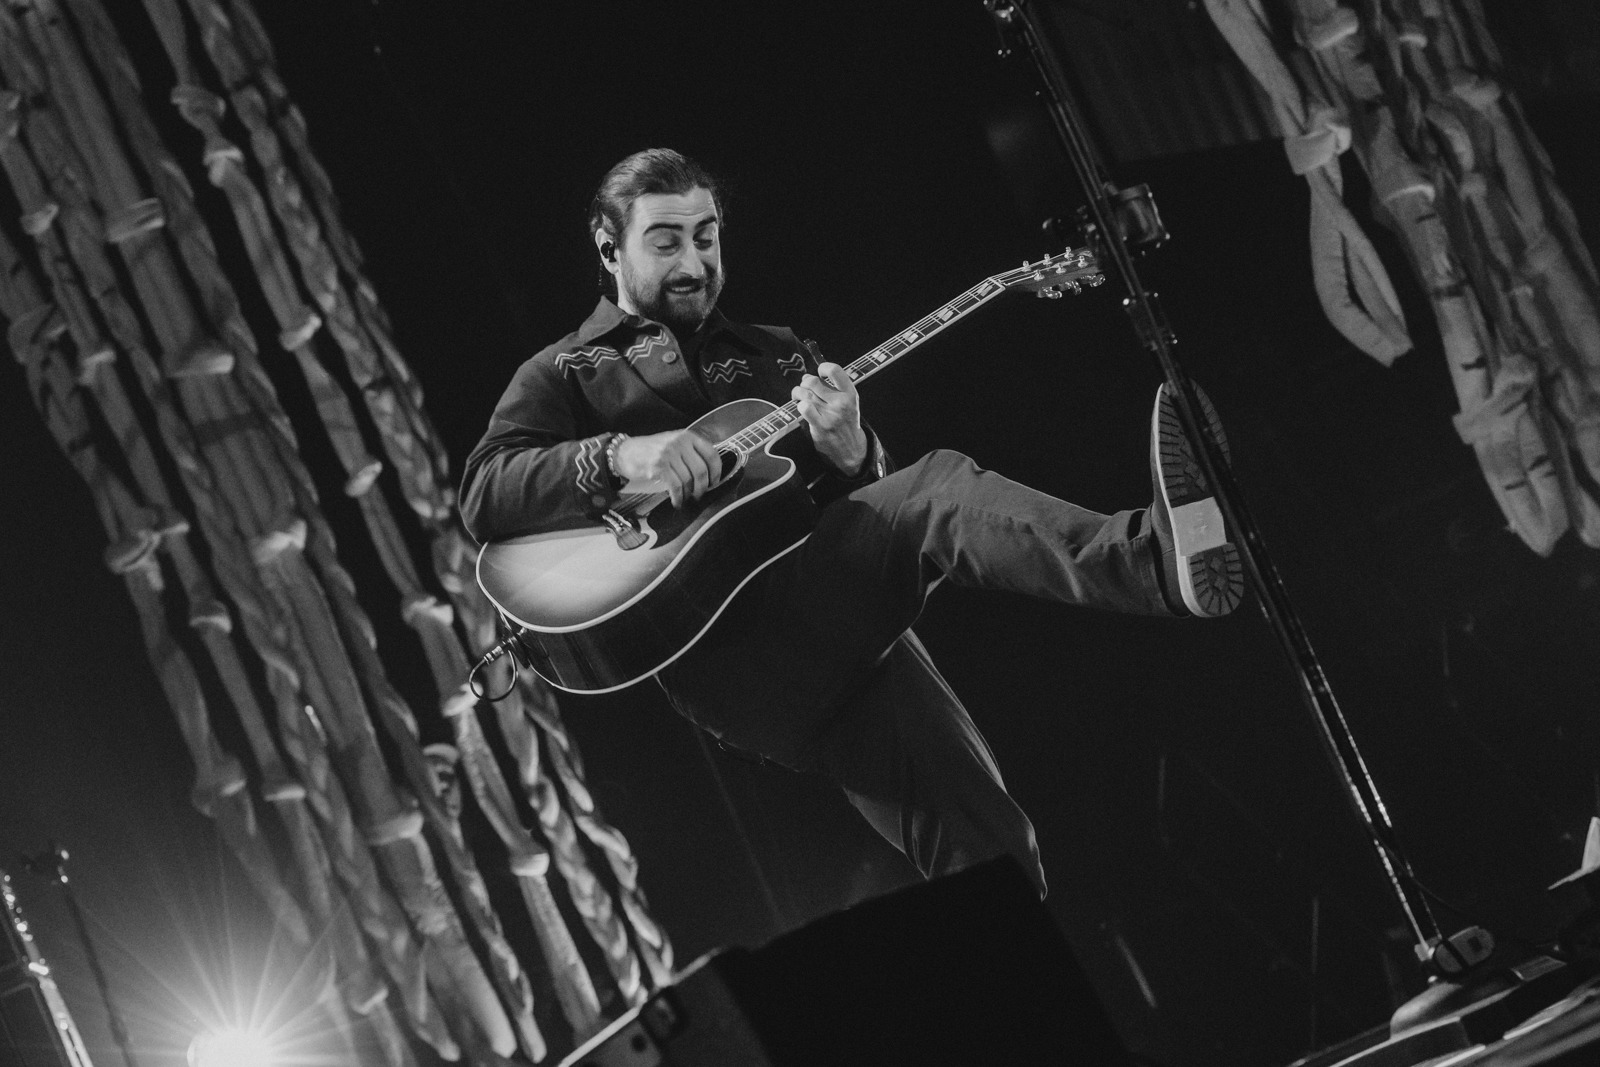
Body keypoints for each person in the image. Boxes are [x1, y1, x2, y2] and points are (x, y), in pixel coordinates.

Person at [459, 148, 1243, 898]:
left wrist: (853, 450)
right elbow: (486, 489)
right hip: (733, 660)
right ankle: (1151, 561)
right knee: (931, 488)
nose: (694, 262)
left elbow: (865, 505)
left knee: (992, 849)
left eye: (706, 237)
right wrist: (624, 455)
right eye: (666, 242)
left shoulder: (776, 354)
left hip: (833, 611)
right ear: (608, 246)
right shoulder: (564, 371)